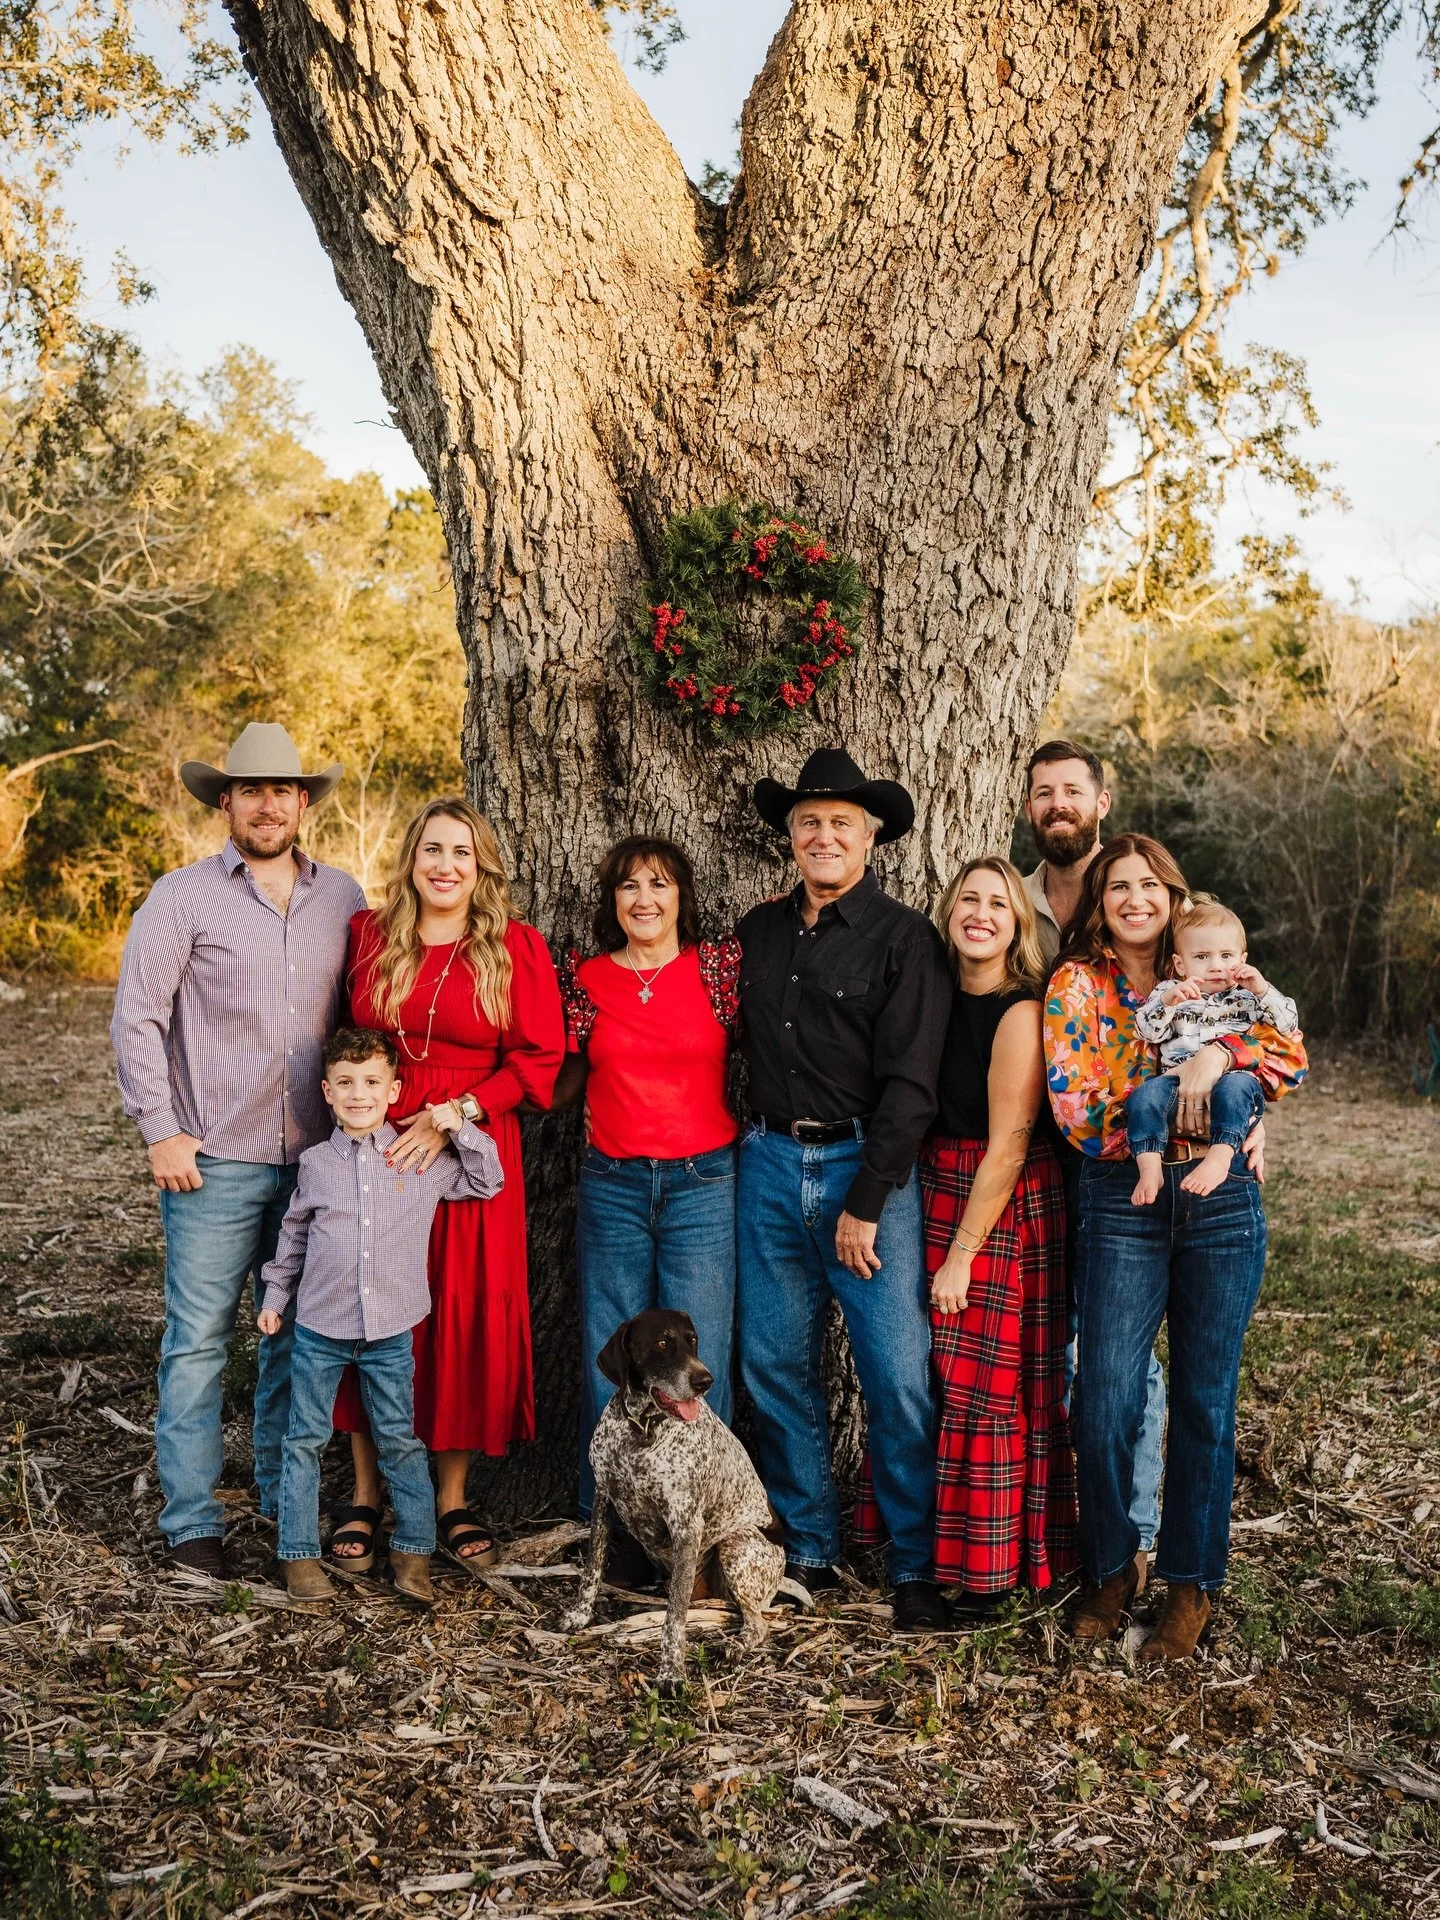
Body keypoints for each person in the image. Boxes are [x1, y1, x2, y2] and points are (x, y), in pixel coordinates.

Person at [1045, 833, 1307, 1660]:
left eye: (1148, 884)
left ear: (1172, 895)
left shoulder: (1217, 963)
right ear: (1100, 900)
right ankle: (1114, 1566)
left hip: (1222, 1201)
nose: (1133, 898)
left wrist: (1225, 1061)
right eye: (1117, 885)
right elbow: (1078, 1110)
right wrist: (1184, 1101)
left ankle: (1192, 1584)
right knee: (1106, 1396)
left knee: (1204, 1398)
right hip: (1125, 1197)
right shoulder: (1076, 984)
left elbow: (1285, 1052)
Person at [111, 722, 365, 1577]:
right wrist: (161, 1129)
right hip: (214, 1160)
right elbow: (137, 1020)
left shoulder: (344, 898)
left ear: (303, 802)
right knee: (197, 1341)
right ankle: (191, 1523)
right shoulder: (181, 898)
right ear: (225, 802)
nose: (267, 804)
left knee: (294, 1337)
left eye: (282, 790)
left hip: (318, 1163)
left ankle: (278, 1496)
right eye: (249, 790)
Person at [735, 747, 951, 1632]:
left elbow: (912, 1087)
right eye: (810, 822)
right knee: (773, 1363)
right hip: (766, 1167)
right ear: (790, 837)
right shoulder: (756, 932)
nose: (825, 836)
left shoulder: (905, 940)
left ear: (871, 839)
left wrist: (865, 1199)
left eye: (842, 824)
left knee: (895, 1373)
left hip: (869, 1175)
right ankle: (813, 1547)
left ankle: (914, 1566)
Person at [332, 797, 564, 1569]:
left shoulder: (514, 948)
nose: (445, 865)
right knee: (370, 1307)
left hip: (468, 1151)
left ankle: (451, 1497)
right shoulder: (368, 937)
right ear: (411, 860)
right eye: (432, 849)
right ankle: (365, 1492)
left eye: (461, 853)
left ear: (481, 867)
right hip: (378, 1142)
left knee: (460, 1307)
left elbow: (538, 1062)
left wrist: (454, 1114)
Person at [257, 1028, 504, 1603]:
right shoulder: (316, 1164)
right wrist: (274, 1302)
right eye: (345, 1083)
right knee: (304, 1440)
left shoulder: (417, 1159)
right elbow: (292, 1237)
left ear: (394, 1091)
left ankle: (413, 1553)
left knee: (400, 1440)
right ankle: (297, 1557)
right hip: (320, 1328)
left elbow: (487, 1180)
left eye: (372, 1082)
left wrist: (453, 1124)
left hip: (392, 1330)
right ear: (326, 1091)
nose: (358, 1094)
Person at [557, 836, 741, 1519]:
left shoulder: (717, 969)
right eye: (629, 886)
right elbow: (560, 1077)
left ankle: (699, 1522)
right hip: (614, 1185)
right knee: (609, 1358)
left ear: (680, 897)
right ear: (613, 901)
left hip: (704, 1184)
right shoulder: (587, 981)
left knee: (701, 1359)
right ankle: (609, 1520)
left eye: (659, 884)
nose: (644, 899)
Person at [1021, 736, 1166, 1581]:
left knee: (1125, 1349)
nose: (1058, 805)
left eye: (1072, 791)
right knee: (1058, 1344)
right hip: (1031, 1150)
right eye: (1043, 794)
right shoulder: (1014, 900)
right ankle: (1062, 1522)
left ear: (1100, 803)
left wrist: (1244, 1108)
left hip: (1127, 1157)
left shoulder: (1141, 897)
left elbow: (1231, 1005)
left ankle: (1135, 1533)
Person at [919, 858, 1077, 1611]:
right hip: (939, 1183)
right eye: (969, 900)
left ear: (1019, 925)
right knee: (953, 1380)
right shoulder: (933, 994)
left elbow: (1009, 1145)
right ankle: (958, 1552)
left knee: (993, 1386)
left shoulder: (1020, 1010)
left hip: (1001, 1196)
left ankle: (992, 1576)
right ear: (949, 910)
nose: (981, 914)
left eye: (999, 904)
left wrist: (960, 1256)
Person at [1129, 900, 1300, 1204]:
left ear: (1242, 958)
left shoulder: (1248, 997)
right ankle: (1150, 1168)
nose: (1215, 966)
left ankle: (1220, 1159)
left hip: (1231, 1084)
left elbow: (1288, 1026)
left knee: (1237, 1087)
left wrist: (1262, 990)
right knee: (1144, 1098)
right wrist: (1168, 1003)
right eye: (1202, 957)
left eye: (1226, 955)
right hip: (1177, 1085)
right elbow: (1145, 1031)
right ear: (1181, 964)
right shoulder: (1171, 992)